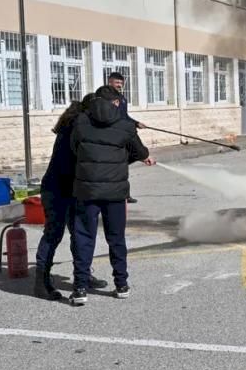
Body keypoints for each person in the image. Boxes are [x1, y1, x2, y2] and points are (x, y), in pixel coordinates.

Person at [69, 86, 155, 306]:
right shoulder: (126, 126)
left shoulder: (80, 121)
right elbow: (140, 152)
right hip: (115, 193)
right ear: (116, 103)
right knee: (116, 238)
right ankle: (121, 285)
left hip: (86, 191)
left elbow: (75, 149)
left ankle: (79, 288)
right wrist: (126, 158)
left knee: (84, 237)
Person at [33, 94, 108, 300]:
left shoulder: (82, 123)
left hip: (75, 189)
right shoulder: (77, 127)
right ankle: (41, 282)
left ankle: (83, 275)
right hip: (57, 189)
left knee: (80, 234)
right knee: (53, 234)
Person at [107, 72, 145, 204]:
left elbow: (124, 116)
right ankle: (122, 194)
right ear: (110, 82)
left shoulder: (122, 98)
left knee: (126, 162)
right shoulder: (105, 98)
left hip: (122, 135)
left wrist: (136, 123)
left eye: (121, 83)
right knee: (120, 165)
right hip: (112, 137)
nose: (119, 85)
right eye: (117, 82)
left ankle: (125, 194)